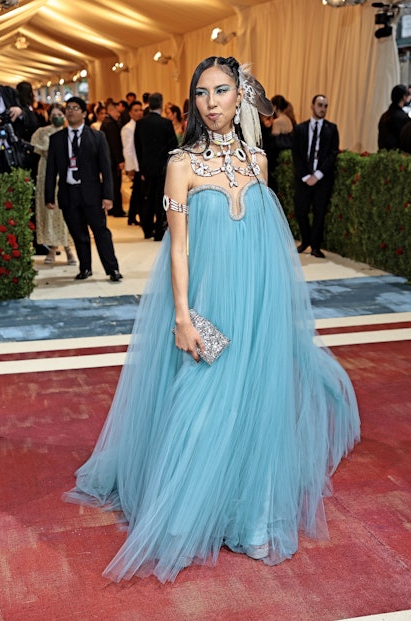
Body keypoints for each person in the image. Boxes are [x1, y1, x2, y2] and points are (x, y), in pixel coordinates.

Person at [63, 57, 359, 584]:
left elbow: (267, 245)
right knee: (199, 408)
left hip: (256, 305)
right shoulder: (183, 164)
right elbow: (179, 250)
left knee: (253, 405)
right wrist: (182, 316)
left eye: (222, 90)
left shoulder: (258, 162)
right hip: (208, 306)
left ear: (240, 96)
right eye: (202, 93)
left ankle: (249, 516)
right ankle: (182, 515)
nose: (212, 102)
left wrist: (275, 314)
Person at [45, 96, 122, 282]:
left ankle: (112, 269)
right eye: (68, 108)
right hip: (68, 193)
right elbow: (51, 170)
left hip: (92, 194)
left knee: (101, 232)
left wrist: (108, 196)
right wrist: (49, 196)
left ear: (84, 113)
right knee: (79, 234)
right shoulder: (57, 139)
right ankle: (85, 267)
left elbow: (106, 169)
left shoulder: (97, 137)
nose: (70, 111)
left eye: (75, 108)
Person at [292, 94, 339, 258]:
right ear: (312, 106)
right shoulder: (300, 128)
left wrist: (318, 175)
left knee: (320, 213)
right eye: (320, 105)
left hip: (322, 179)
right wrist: (305, 176)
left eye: (325, 106)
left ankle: (316, 246)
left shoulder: (331, 129)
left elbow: (332, 154)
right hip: (303, 179)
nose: (323, 109)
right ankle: (306, 241)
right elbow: (296, 154)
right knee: (301, 211)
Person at [31, 103, 77, 266]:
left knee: (66, 213)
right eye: (53, 115)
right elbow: (39, 150)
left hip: (64, 176)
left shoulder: (70, 133)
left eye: (59, 114)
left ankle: (69, 249)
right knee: (49, 213)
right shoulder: (41, 133)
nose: (56, 117)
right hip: (46, 175)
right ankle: (51, 248)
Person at [135, 92, 178, 240]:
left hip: (146, 167)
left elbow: (137, 147)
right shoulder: (165, 123)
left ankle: (147, 230)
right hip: (162, 167)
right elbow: (173, 146)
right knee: (160, 199)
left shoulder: (140, 123)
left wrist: (141, 166)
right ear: (160, 104)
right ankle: (159, 232)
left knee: (147, 199)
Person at [120, 100, 144, 226]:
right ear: (130, 113)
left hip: (141, 164)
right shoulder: (127, 128)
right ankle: (133, 215)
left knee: (137, 191)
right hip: (135, 165)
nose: (139, 112)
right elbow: (128, 149)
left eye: (140, 110)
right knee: (137, 191)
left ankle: (133, 215)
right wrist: (131, 168)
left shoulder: (141, 125)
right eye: (136, 110)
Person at [101, 101, 126, 217]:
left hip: (108, 159)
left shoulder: (106, 123)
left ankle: (112, 209)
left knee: (111, 184)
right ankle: (117, 209)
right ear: (111, 111)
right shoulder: (111, 125)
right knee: (116, 185)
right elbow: (115, 144)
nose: (118, 114)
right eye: (116, 111)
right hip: (113, 161)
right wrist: (120, 160)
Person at [378, 84, 411, 151]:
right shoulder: (403, 117)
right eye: (408, 95)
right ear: (404, 97)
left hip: (383, 156)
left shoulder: (384, 116)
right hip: (397, 157)